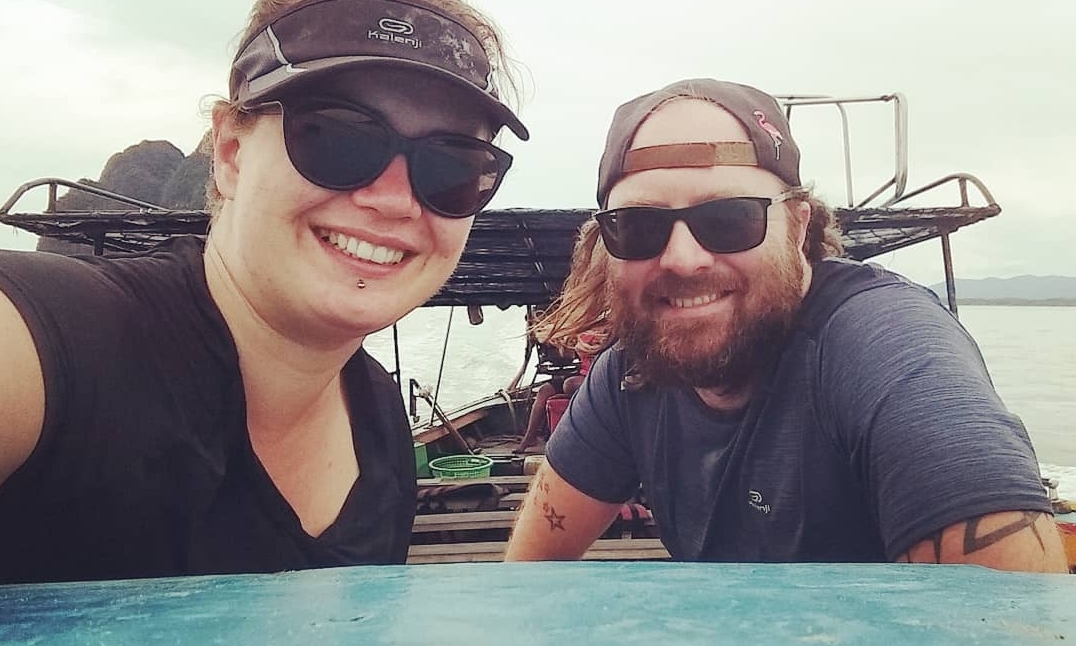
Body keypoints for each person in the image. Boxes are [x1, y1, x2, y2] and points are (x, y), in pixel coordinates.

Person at [0, 0, 529, 583]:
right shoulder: (71, 344)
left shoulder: (378, 426)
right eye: (336, 137)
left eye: (452, 164)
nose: (394, 200)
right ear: (230, 151)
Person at [505, 78, 1067, 572]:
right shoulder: (632, 373)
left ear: (798, 228)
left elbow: (1012, 619)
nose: (682, 259)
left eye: (729, 218)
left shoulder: (881, 344)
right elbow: (529, 573)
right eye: (637, 227)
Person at [515, 220, 610, 453]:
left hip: (598, 379)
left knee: (570, 384)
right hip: (583, 376)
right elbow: (567, 349)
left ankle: (572, 441)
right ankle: (528, 440)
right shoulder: (584, 322)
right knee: (546, 391)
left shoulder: (610, 326)